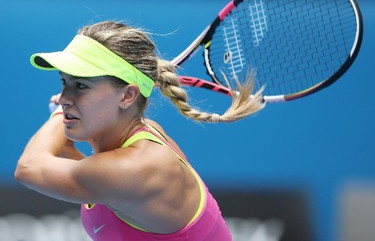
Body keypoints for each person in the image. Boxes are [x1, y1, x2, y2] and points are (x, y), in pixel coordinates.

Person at [15, 21, 265, 241]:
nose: (65, 97)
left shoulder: (138, 167)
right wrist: (69, 110)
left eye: (81, 85)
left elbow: (28, 168)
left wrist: (60, 113)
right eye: (64, 82)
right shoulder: (136, 145)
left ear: (127, 95)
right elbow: (69, 157)